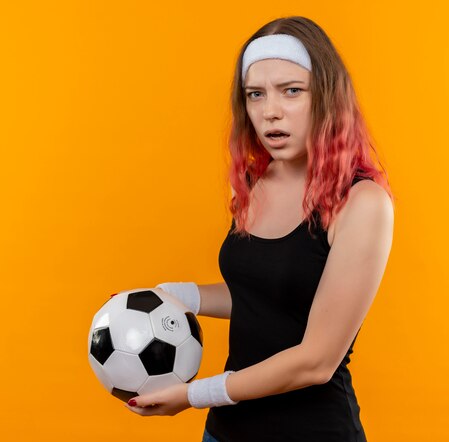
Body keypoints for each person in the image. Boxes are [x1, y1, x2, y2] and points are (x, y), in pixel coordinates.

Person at [124, 16, 395, 442]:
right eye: (255, 94)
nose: (270, 111)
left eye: (291, 91)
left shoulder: (362, 203)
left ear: (326, 95)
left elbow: (316, 361)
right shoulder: (256, 183)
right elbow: (265, 298)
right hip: (225, 433)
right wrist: (178, 296)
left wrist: (196, 395)